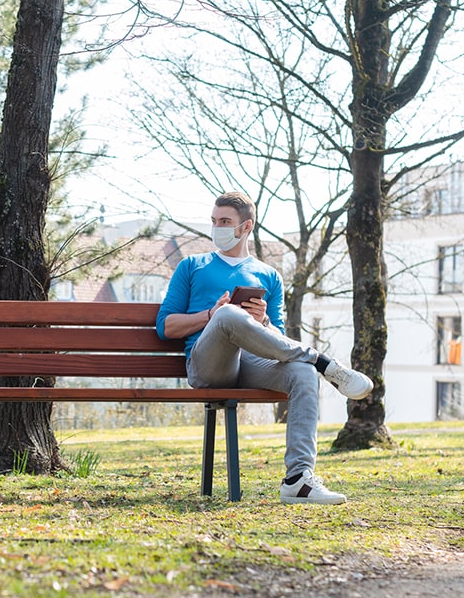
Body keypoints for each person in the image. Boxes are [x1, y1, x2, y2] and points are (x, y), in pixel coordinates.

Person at [156, 191, 373, 505]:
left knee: (301, 372)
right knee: (230, 313)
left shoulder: (269, 276)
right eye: (214, 221)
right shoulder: (193, 266)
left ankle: (298, 480)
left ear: (246, 227)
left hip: (253, 364)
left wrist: (265, 323)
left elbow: (278, 342)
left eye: (225, 221)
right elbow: (165, 327)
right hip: (209, 366)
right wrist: (211, 316)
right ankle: (322, 361)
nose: (217, 227)